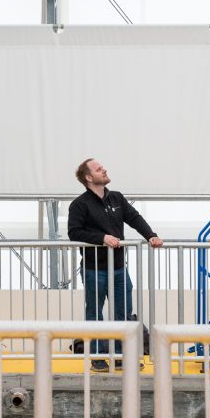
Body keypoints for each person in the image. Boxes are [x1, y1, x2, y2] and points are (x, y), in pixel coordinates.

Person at [68, 158, 163, 371]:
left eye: (102, 167)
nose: (104, 169)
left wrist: (151, 236)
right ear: (88, 177)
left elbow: (134, 218)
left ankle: (122, 356)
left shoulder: (116, 198)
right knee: (94, 312)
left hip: (119, 268)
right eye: (98, 168)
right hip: (94, 269)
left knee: (124, 312)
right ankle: (98, 357)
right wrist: (102, 237)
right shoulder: (79, 204)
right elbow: (74, 233)